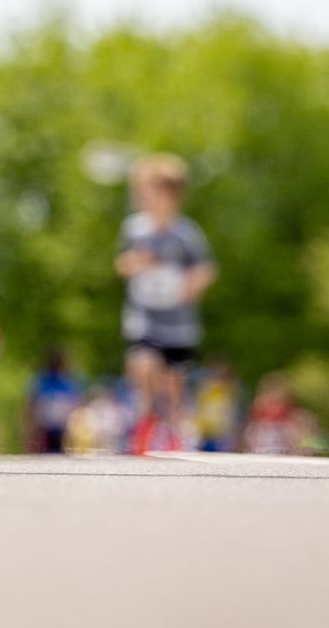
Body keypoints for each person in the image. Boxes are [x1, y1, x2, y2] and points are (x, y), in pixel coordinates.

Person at [116, 153, 216, 454]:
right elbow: (122, 263)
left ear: (172, 195)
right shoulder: (135, 230)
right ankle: (145, 421)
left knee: (173, 382)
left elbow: (206, 268)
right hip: (144, 317)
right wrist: (135, 263)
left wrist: (190, 286)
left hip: (179, 324)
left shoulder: (185, 234)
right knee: (142, 365)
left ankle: (173, 429)